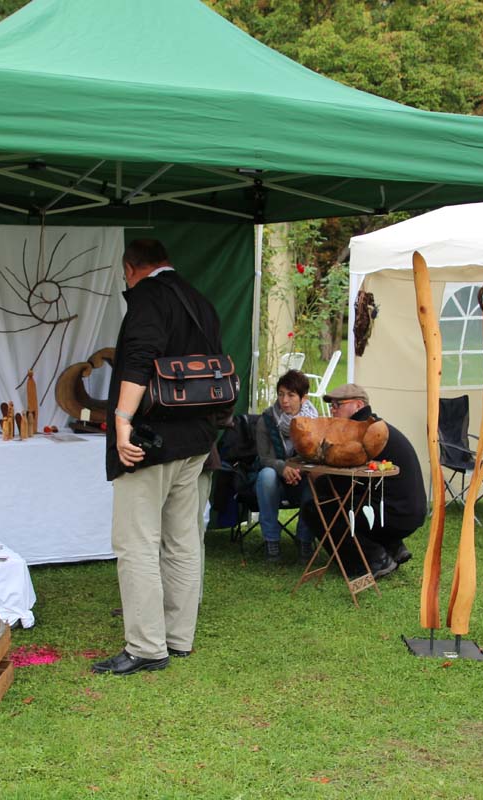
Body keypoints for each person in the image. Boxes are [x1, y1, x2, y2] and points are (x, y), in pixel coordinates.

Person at [94, 239, 224, 676]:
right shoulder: (198, 299)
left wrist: (122, 421)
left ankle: (147, 647)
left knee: (137, 543)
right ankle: (178, 637)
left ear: (131, 268)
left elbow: (138, 360)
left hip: (151, 439)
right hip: (197, 439)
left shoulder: (148, 297)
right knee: (183, 540)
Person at [305, 383, 427, 580]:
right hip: (408, 510)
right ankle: (392, 547)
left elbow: (345, 482)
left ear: (358, 405)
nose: (333, 410)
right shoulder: (373, 427)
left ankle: (373, 560)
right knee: (348, 499)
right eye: (331, 405)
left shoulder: (361, 434)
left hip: (395, 513)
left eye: (338, 405)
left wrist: (319, 479)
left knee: (316, 509)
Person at [254, 369, 319, 563]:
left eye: (291, 395)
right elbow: (264, 458)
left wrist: (297, 469)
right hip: (276, 482)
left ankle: (304, 539)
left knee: (316, 479)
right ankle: (271, 540)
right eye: (281, 394)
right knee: (266, 475)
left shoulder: (314, 422)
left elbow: (317, 457)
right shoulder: (267, 420)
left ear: (303, 398)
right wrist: (283, 468)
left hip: (302, 478)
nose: (284, 400)